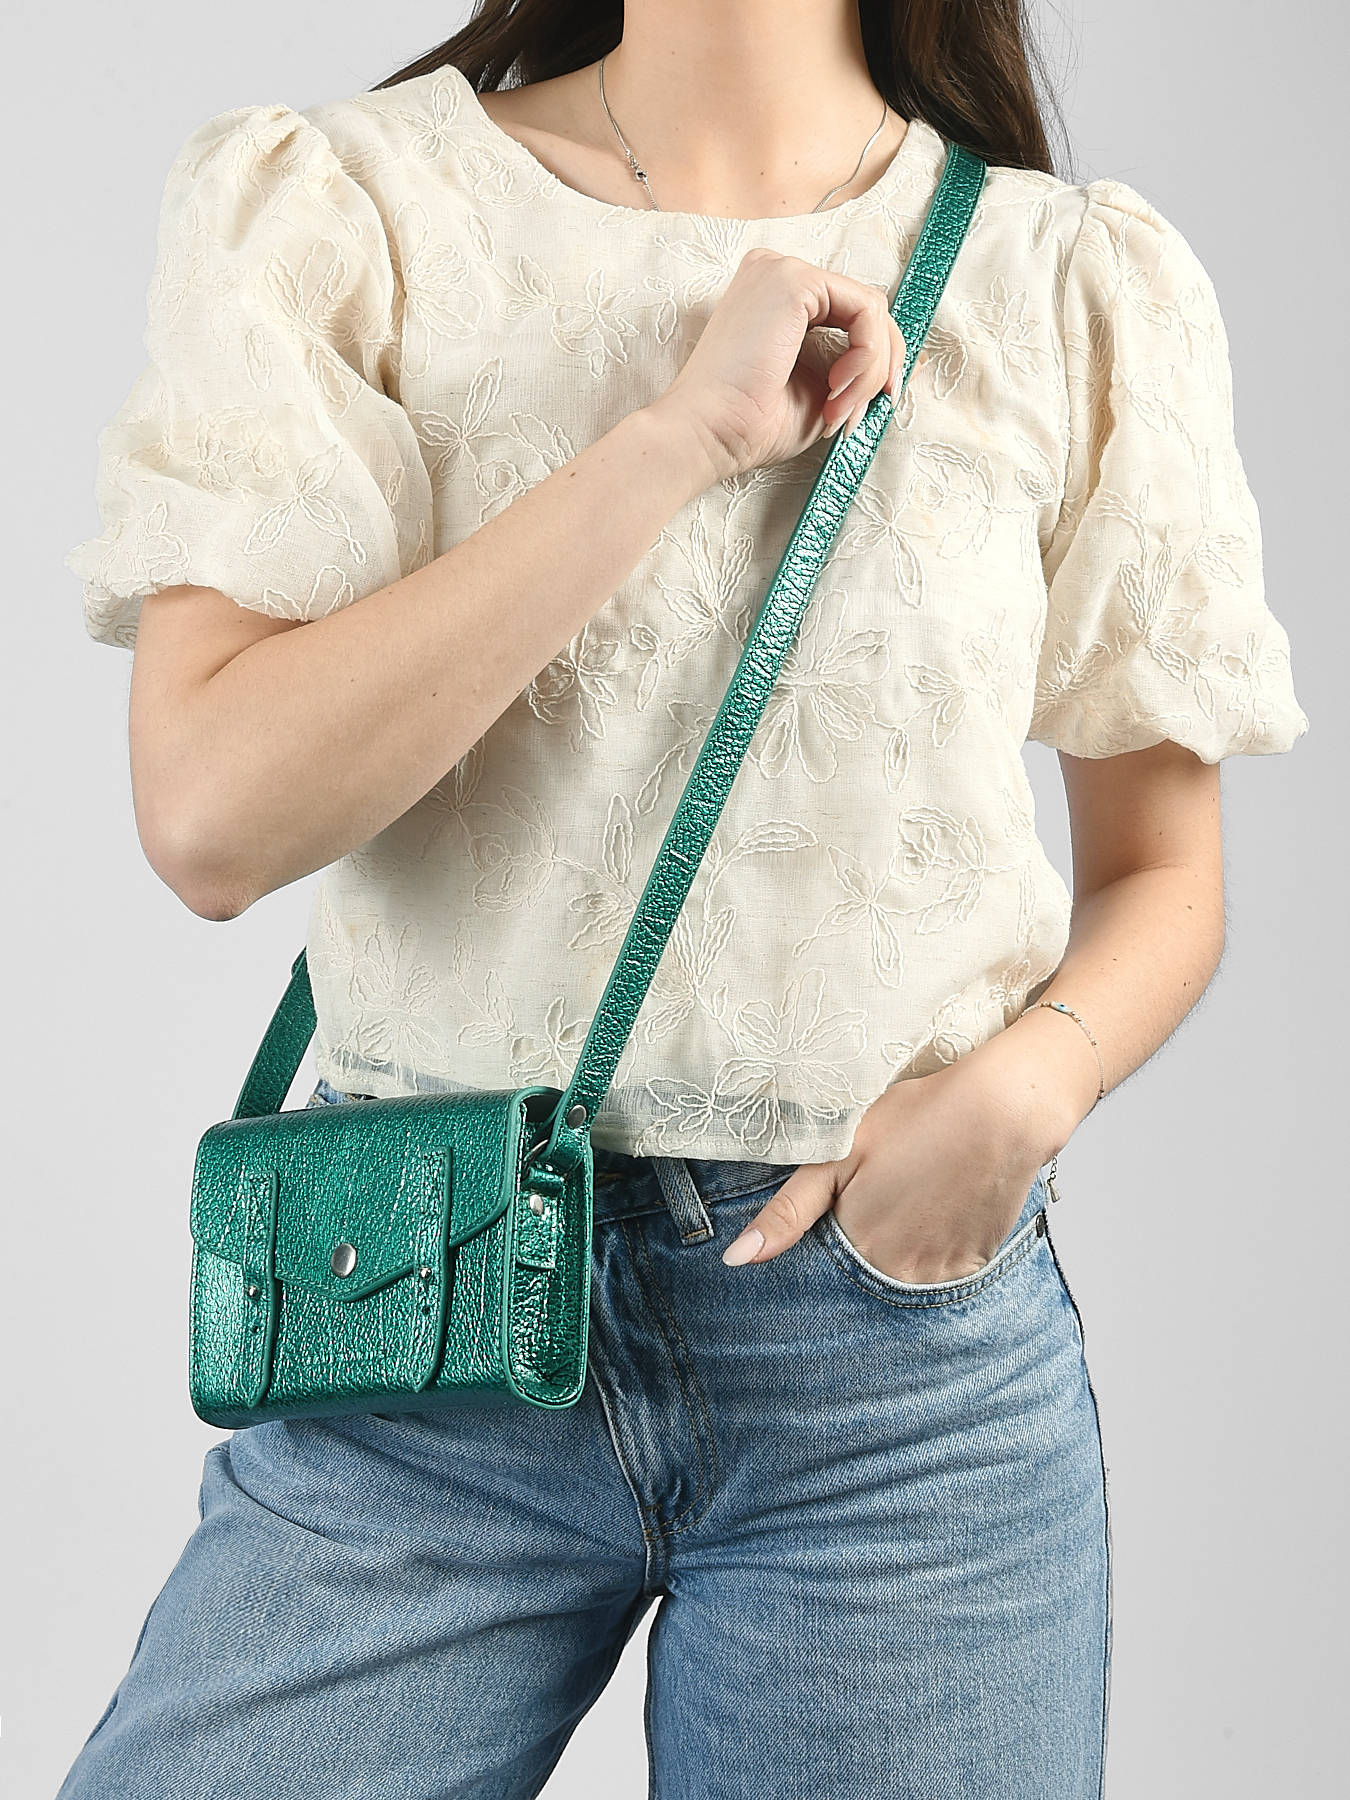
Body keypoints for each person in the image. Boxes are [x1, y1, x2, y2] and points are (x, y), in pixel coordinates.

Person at [57, 3, 1307, 1795]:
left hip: (892, 1370)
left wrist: (1016, 1099)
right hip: (418, 1292)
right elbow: (211, 822)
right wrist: (673, 441)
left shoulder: (1066, 279)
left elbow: (1161, 873)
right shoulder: (350, 206)